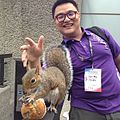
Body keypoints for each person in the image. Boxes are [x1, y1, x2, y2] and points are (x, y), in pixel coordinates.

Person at [20, 0, 120, 120]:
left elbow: (118, 61)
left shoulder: (101, 34)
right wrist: (35, 59)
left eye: (70, 14)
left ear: (78, 14)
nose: (66, 19)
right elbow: (43, 79)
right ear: (55, 22)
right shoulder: (58, 53)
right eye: (60, 17)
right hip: (85, 111)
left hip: (118, 104)